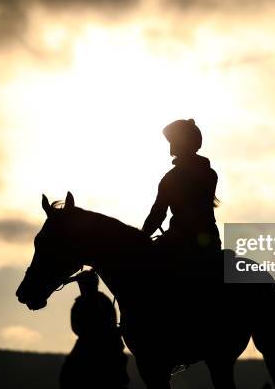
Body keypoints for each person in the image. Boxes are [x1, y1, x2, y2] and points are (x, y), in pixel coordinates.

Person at [142, 119, 221, 257]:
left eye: (174, 140)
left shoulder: (171, 179)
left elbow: (158, 214)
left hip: (182, 241)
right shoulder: (209, 172)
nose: (172, 145)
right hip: (210, 239)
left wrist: (141, 237)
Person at [60, 270, 129, 389]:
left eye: (83, 285)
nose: (81, 287)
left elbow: (111, 324)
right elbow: (76, 326)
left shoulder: (103, 301)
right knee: (68, 370)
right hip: (86, 342)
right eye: (81, 285)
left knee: (116, 367)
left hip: (106, 342)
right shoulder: (79, 303)